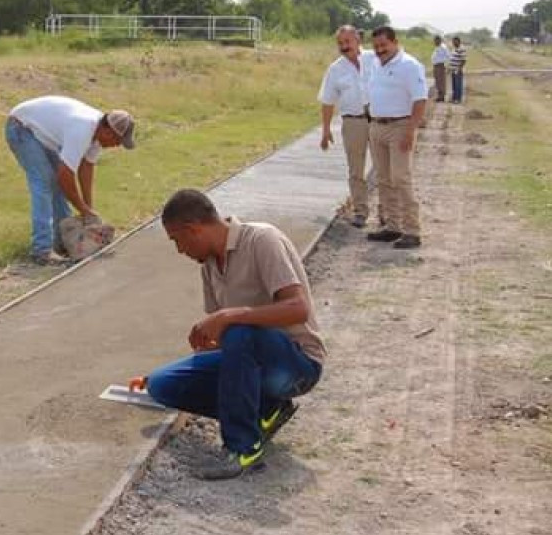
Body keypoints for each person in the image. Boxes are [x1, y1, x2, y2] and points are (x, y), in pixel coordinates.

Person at [136, 189, 325, 481]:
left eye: (177, 240)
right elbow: (224, 343)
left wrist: (230, 316)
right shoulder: (209, 266)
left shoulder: (262, 240)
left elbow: (298, 308)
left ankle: (243, 448)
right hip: (251, 359)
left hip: (296, 364)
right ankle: (267, 407)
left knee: (238, 331)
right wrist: (198, 355)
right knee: (163, 385)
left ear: (193, 229)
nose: (179, 250)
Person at [5, 96, 136, 265]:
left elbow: (86, 168)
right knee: (44, 182)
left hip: (41, 136)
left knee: (58, 186)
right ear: (108, 131)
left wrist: (89, 213)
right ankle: (41, 251)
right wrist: (83, 209)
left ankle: (63, 242)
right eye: (117, 141)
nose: (117, 146)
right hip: (21, 127)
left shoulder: (97, 136)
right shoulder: (82, 129)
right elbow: (65, 176)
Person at [366, 27, 428, 249]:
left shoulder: (409, 66)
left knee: (400, 178)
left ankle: (412, 230)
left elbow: (420, 100)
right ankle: (392, 226)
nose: (380, 50)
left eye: (384, 45)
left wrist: (411, 130)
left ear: (395, 42)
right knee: (383, 179)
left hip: (400, 126)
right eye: (376, 47)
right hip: (377, 126)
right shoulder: (375, 64)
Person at [318, 25, 377, 229]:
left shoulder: (375, 59)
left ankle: (388, 214)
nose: (344, 46)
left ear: (358, 40)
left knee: (385, 168)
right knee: (356, 170)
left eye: (347, 42)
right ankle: (361, 212)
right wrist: (326, 130)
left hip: (379, 120)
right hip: (353, 122)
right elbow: (327, 101)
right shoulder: (335, 69)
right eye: (340, 43)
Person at [431, 35, 450, 103]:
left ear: (439, 40)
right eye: (434, 40)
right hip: (436, 66)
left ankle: (442, 97)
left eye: (436, 40)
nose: (434, 42)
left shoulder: (443, 47)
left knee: (441, 82)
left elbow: (448, 56)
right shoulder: (437, 47)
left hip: (440, 66)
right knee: (437, 82)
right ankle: (439, 96)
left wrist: (443, 63)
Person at [449, 37, 468, 104]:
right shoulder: (454, 48)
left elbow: (463, 60)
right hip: (453, 69)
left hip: (458, 69)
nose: (453, 43)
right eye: (453, 42)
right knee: (454, 85)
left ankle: (458, 99)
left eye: (455, 42)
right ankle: (454, 98)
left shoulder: (461, 49)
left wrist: (459, 69)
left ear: (458, 41)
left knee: (458, 85)